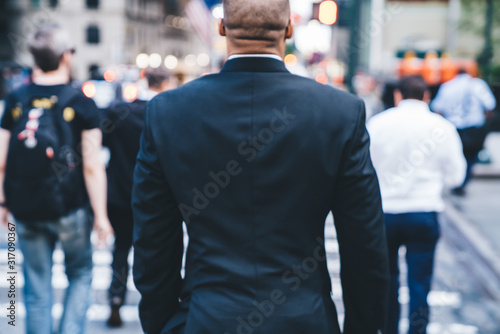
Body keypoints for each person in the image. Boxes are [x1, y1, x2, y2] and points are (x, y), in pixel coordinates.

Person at [132, 0, 389, 333]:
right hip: (305, 319)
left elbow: (153, 246)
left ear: (222, 27)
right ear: (289, 29)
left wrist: (164, 326)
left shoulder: (167, 112)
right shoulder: (339, 113)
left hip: (206, 319)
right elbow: (365, 248)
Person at [0, 24, 113, 334]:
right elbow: (91, 165)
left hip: (24, 206)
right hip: (69, 206)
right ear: (66, 56)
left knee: (36, 288)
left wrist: (2, 202)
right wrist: (101, 216)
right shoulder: (80, 102)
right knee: (80, 273)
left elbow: (0, 160)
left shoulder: (16, 99)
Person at [368, 75, 466, 334]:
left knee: (386, 280)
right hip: (424, 212)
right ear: (427, 96)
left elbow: (363, 169)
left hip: (385, 214)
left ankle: (388, 329)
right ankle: (417, 330)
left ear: (398, 95)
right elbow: (456, 175)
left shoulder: (377, 125)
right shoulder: (442, 127)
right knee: (420, 281)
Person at [102, 67, 171, 327]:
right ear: (164, 83)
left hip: (119, 193)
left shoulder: (121, 112)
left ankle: (116, 299)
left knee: (121, 249)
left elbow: (105, 143)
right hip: (155, 198)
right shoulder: (167, 113)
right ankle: (154, 306)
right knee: (156, 252)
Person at [431, 69, 496, 195]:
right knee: (471, 157)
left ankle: (456, 180)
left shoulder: (448, 86)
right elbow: (490, 106)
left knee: (455, 154)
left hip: (454, 128)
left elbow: (438, 109)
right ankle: (462, 181)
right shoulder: (478, 85)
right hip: (474, 128)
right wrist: (484, 124)